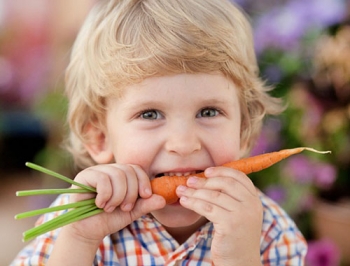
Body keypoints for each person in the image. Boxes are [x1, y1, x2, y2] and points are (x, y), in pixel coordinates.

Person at [11, 0, 307, 265]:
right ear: (100, 137)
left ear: (244, 129)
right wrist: (79, 242)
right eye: (150, 114)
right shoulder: (77, 219)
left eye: (208, 112)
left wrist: (240, 258)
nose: (183, 144)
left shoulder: (267, 229)